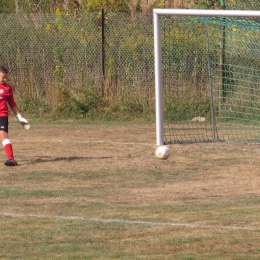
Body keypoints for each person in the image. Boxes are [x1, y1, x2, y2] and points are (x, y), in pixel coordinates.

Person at [0, 65, 30, 166]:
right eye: (3, 77)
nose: (5, 79)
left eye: (6, 77)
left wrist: (19, 116)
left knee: (3, 135)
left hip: (2, 115)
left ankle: (11, 159)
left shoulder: (8, 88)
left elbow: (12, 103)